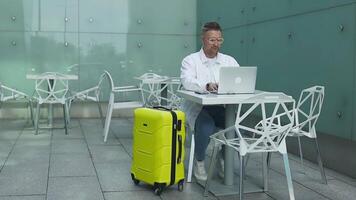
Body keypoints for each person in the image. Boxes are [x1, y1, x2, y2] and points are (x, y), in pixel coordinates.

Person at [180, 22, 240, 181]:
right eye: (212, 40)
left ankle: (223, 158)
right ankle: (199, 161)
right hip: (198, 107)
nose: (216, 44)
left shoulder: (229, 61)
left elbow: (239, 80)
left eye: (219, 40)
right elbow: (187, 81)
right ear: (203, 39)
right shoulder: (190, 60)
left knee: (235, 126)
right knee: (206, 126)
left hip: (222, 108)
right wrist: (206, 85)